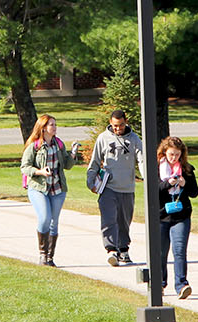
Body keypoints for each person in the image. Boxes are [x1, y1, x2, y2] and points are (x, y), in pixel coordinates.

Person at [87, 110, 144, 267]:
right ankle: (111, 250)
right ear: (110, 123)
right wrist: (90, 181)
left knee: (124, 221)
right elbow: (95, 161)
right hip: (108, 187)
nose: (118, 129)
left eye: (121, 125)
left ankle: (123, 249)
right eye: (115, 126)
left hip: (127, 187)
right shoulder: (103, 138)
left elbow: (142, 160)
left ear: (126, 122)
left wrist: (147, 177)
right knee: (109, 219)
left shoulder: (134, 139)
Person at [20, 114, 74, 267]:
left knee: (54, 222)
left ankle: (50, 258)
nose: (54, 127)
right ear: (43, 128)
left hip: (57, 189)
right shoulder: (34, 146)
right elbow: (25, 167)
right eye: (51, 125)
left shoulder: (59, 144)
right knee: (45, 218)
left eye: (55, 124)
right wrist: (40, 172)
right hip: (38, 188)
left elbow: (67, 165)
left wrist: (73, 153)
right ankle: (42, 254)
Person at [156, 136, 198, 300]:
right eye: (171, 154)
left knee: (179, 250)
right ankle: (159, 284)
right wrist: (168, 183)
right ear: (164, 152)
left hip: (181, 215)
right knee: (160, 252)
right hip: (161, 215)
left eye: (177, 155)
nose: (174, 158)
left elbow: (194, 192)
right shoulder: (157, 168)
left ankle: (181, 284)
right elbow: (154, 190)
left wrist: (183, 184)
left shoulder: (187, 170)